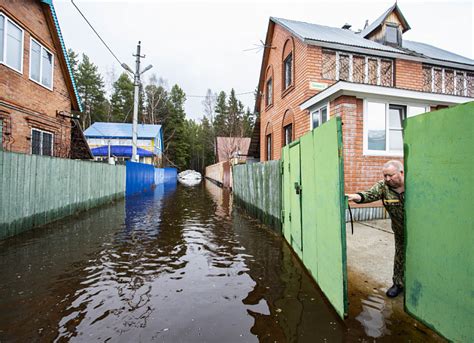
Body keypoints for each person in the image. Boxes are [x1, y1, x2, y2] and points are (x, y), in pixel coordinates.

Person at [346, 160, 405, 298]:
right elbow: (369, 195)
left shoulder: (415, 182)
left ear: (401, 173)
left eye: (391, 175)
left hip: (420, 231)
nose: (387, 179)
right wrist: (356, 196)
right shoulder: (383, 186)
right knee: (400, 256)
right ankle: (398, 284)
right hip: (400, 230)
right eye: (385, 176)